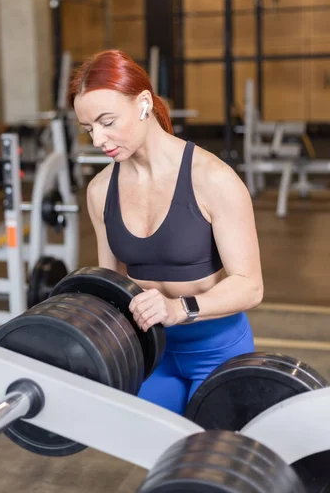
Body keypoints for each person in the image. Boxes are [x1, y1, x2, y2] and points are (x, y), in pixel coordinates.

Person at [70, 49, 263, 416]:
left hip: (216, 349)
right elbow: (113, 284)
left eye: (107, 121)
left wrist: (179, 308)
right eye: (88, 128)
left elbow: (250, 285)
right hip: (148, 351)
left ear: (143, 104)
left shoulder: (213, 178)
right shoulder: (99, 191)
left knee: (212, 465)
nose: (98, 139)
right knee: (158, 458)